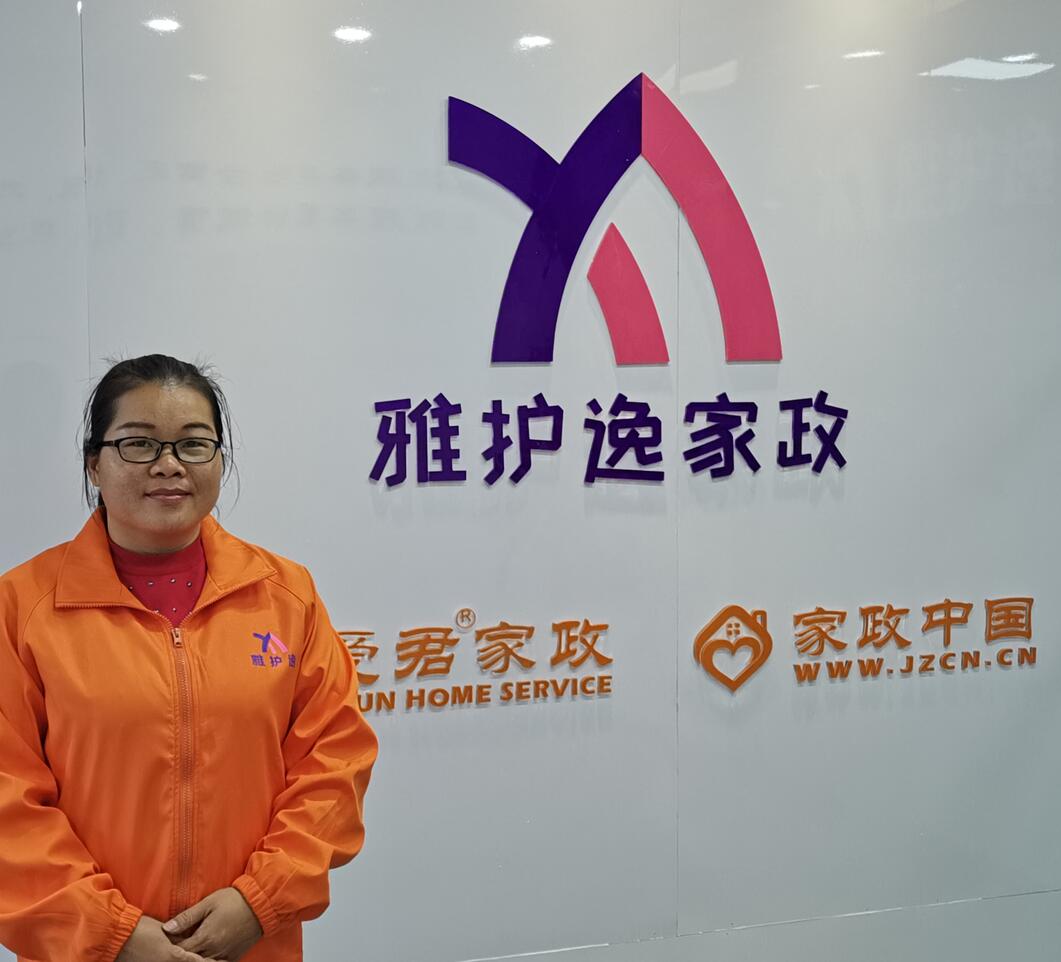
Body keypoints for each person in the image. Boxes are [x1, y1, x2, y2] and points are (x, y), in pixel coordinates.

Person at [0, 355, 378, 962]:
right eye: (139, 444)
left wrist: (260, 900)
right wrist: (111, 933)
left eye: (194, 444)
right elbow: (8, 801)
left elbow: (335, 761)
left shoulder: (286, 595)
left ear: (220, 460)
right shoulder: (22, 607)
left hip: (248, 943)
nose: (169, 464)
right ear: (94, 463)